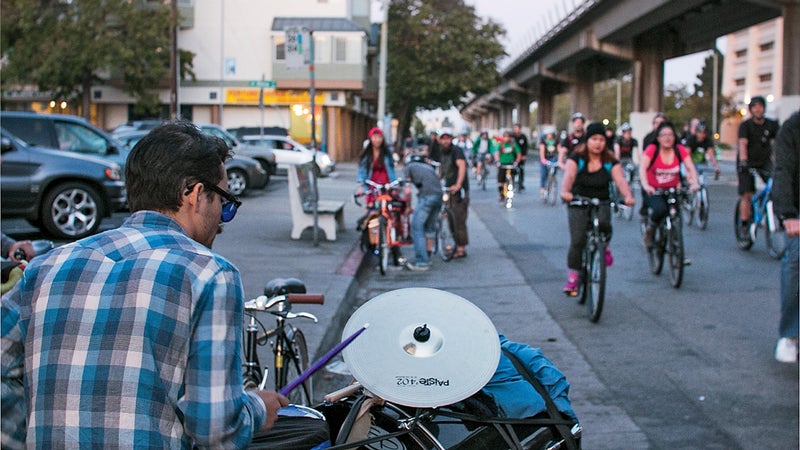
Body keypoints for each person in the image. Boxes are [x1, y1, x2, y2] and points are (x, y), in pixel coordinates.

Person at [1, 121, 288, 448]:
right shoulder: (209, 275)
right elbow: (216, 430)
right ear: (194, 195)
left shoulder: (44, 267)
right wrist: (255, 408)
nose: (222, 222)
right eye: (224, 203)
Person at [560, 122, 635, 295]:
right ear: (587, 141)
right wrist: (565, 192)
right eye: (594, 139)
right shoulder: (576, 158)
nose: (597, 143)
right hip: (579, 200)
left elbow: (620, 180)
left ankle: (604, 247)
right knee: (577, 240)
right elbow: (569, 176)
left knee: (604, 225)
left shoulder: (609, 160)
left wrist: (628, 196)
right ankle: (573, 277)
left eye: (601, 139)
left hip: (602, 200)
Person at [639, 121, 700, 248]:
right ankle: (650, 231)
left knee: (676, 215)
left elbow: (690, 167)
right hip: (654, 190)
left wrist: (694, 182)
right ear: (658, 138)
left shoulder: (679, 150)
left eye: (670, 135)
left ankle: (677, 250)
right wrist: (646, 185)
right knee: (660, 209)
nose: (667, 138)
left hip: (672, 189)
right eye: (663, 135)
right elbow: (642, 168)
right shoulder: (652, 150)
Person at [771, 110, 799, 363]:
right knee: (796, 257)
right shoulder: (793, 127)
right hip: (798, 209)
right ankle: (790, 333)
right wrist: (788, 214)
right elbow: (784, 171)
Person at [737, 96, 781, 238]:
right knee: (747, 194)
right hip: (747, 162)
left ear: (764, 108)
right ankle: (744, 224)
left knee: (776, 187)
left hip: (764, 162)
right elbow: (743, 144)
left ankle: (771, 210)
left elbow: (780, 142)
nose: (758, 109)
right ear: (750, 109)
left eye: (760, 106)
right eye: (754, 106)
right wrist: (744, 162)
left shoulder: (772, 124)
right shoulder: (745, 126)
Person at [402, 154, 443, 271]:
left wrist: (408, 206)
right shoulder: (428, 167)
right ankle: (428, 254)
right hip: (438, 196)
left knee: (416, 227)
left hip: (427, 197)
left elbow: (407, 189)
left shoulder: (409, 167)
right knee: (429, 227)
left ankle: (422, 261)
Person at [438, 128, 469, 259]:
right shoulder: (442, 152)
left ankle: (461, 249)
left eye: (448, 138)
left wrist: (458, 184)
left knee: (459, 219)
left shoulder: (456, 151)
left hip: (458, 191)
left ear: (451, 139)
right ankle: (455, 245)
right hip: (447, 189)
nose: (445, 141)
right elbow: (441, 168)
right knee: (449, 217)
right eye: (443, 138)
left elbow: (462, 166)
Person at [356, 127, 399, 206]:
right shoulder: (367, 154)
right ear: (370, 138)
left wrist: (394, 185)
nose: (377, 140)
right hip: (372, 184)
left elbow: (391, 170)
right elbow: (362, 170)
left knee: (386, 208)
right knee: (370, 208)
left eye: (379, 137)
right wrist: (360, 186)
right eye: (375, 137)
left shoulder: (387, 152)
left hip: (386, 185)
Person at [493, 129, 522, 203]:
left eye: (508, 137)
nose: (507, 138)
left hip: (511, 163)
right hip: (502, 164)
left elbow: (518, 154)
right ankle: (501, 194)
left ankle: (512, 185)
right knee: (501, 181)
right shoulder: (500, 144)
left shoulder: (513, 144)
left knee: (514, 175)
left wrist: (517, 161)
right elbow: (496, 153)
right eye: (505, 137)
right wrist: (497, 161)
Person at [539, 128, 559, 198]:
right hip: (546, 158)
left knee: (554, 166)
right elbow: (542, 151)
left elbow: (559, 150)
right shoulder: (544, 141)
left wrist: (560, 160)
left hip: (553, 157)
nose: (549, 135)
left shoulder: (556, 141)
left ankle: (553, 179)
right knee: (543, 174)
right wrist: (543, 159)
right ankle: (542, 188)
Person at [512, 123, 529, 191]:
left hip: (521, 156)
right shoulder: (512, 137)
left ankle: (521, 183)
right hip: (513, 156)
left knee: (521, 169)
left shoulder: (523, 137)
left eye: (517, 128)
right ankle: (512, 182)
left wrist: (524, 155)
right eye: (515, 128)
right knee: (512, 169)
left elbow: (525, 147)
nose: (516, 129)